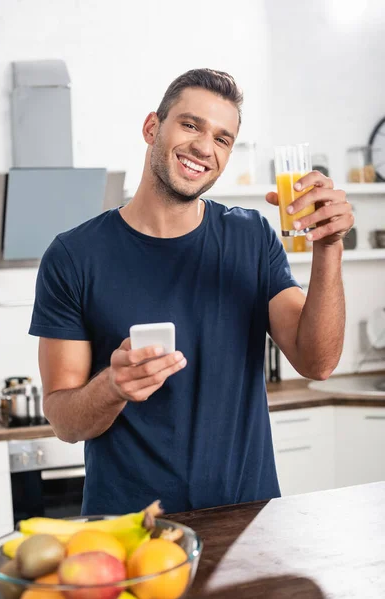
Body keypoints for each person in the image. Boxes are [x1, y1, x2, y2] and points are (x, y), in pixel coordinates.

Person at [29, 68, 354, 515]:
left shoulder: (252, 237)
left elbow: (317, 362)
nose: (204, 146)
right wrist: (112, 386)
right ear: (151, 127)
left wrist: (328, 247)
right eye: (190, 124)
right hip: (130, 532)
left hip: (247, 523)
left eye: (222, 139)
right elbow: (63, 420)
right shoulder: (73, 255)